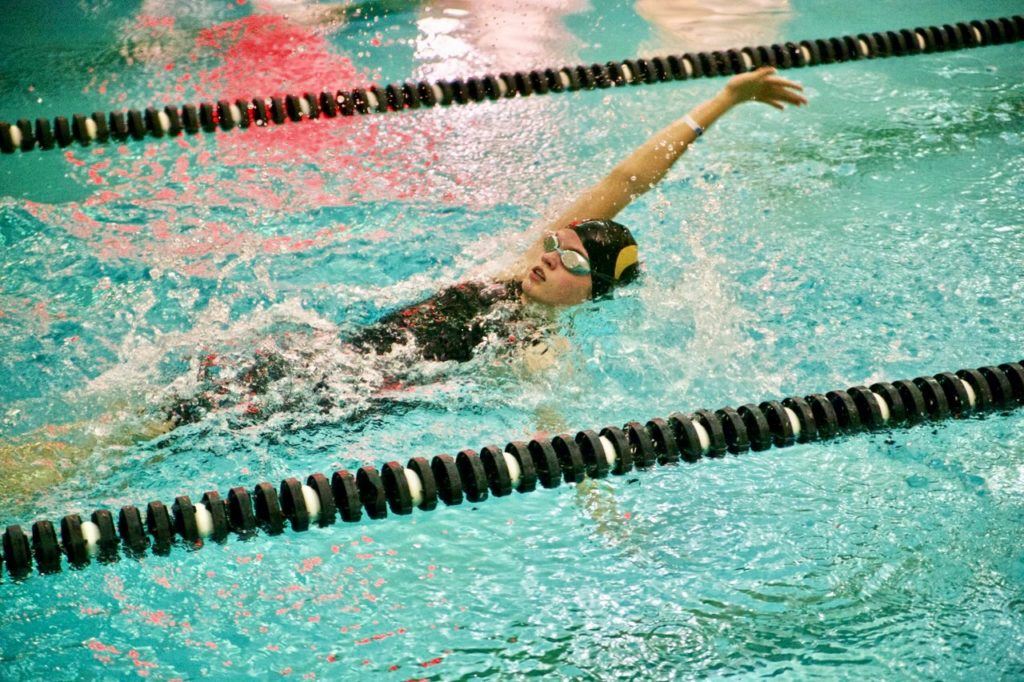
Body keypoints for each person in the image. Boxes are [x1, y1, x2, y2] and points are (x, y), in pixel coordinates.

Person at [1, 67, 806, 497]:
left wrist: (592, 494)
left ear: (591, 296)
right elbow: (627, 181)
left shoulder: (533, 342)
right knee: (145, 399)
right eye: (555, 242)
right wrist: (722, 102)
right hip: (316, 354)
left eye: (569, 262)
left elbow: (553, 426)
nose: (548, 254)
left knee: (143, 433)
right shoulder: (508, 272)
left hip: (329, 398)